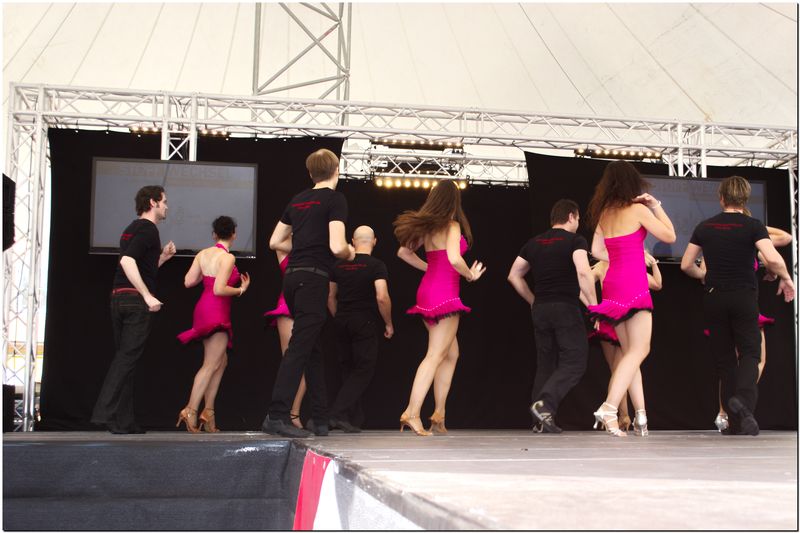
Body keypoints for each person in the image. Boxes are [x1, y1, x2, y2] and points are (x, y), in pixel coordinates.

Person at [682, 178, 794, 435]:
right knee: (750, 353)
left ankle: (735, 423)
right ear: (745, 199)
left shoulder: (704, 226)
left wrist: (704, 276)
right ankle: (743, 401)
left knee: (725, 361)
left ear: (721, 198)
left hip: (714, 298)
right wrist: (786, 278)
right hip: (743, 297)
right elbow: (774, 259)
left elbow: (686, 264)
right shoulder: (753, 226)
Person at [261, 148, 355, 438]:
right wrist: (350, 252)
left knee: (311, 348)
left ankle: (320, 419)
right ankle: (276, 416)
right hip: (313, 280)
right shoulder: (335, 199)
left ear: (311, 173)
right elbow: (337, 246)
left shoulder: (298, 199)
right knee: (300, 349)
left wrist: (303, 244)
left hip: (292, 280)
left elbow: (274, 241)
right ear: (336, 170)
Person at [586, 161, 676, 437]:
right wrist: (655, 205)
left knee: (629, 354)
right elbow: (670, 235)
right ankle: (609, 407)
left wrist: (622, 256)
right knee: (640, 350)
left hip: (612, 283)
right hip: (633, 283)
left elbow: (595, 250)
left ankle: (640, 417)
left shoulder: (605, 214)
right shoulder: (638, 209)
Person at [394, 179, 486, 436]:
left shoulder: (427, 227)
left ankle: (438, 415)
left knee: (451, 353)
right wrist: (470, 275)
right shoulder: (451, 225)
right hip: (444, 293)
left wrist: (431, 268)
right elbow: (455, 259)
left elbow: (403, 253)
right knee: (435, 354)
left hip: (428, 290)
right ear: (454, 201)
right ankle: (412, 412)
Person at [91, 185, 176, 434]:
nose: (167, 206)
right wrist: (148, 296)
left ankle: (123, 422)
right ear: (153, 203)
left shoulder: (131, 228)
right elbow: (127, 261)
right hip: (134, 302)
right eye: (164, 201)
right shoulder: (149, 229)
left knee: (125, 360)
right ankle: (104, 412)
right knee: (126, 359)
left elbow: (140, 266)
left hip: (118, 298)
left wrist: (162, 258)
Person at [507, 199, 597, 433]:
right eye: (578, 219)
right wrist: (595, 306)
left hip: (541, 310)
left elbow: (514, 275)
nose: (578, 223)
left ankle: (540, 421)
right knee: (575, 361)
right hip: (565, 308)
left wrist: (532, 300)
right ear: (571, 216)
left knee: (546, 363)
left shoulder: (533, 243)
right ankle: (545, 405)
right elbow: (583, 272)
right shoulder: (576, 240)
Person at [176, 216, 250, 432]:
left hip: (202, 308)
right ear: (234, 234)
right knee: (210, 364)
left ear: (214, 234)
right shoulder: (228, 258)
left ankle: (208, 413)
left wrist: (206, 274)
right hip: (216, 310)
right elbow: (219, 289)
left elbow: (188, 282)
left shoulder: (203, 254)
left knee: (221, 361)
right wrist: (241, 290)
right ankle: (190, 409)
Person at [326, 226, 394, 433]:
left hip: (341, 320)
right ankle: (336, 414)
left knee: (347, 369)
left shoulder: (338, 264)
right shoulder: (376, 265)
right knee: (364, 369)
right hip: (364, 321)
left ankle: (351, 419)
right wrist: (388, 323)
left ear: (353, 241)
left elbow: (330, 296)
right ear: (374, 241)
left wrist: (339, 316)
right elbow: (382, 297)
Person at [588, 251, 662, 431]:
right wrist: (653, 264)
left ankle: (623, 415)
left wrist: (595, 307)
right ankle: (636, 415)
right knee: (629, 365)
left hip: (611, 316)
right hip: (623, 316)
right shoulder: (626, 266)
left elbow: (584, 281)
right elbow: (657, 284)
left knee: (620, 368)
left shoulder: (603, 266)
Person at [263, 237, 307, 430]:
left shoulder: (312, 250)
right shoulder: (284, 248)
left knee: (307, 364)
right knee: (291, 361)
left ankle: (293, 412)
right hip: (288, 306)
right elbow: (275, 242)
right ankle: (286, 414)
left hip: (308, 307)